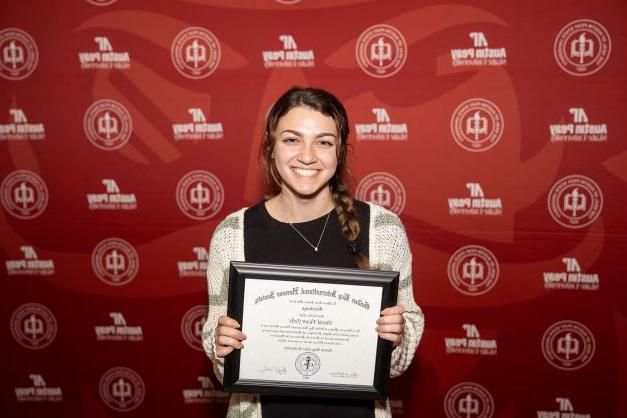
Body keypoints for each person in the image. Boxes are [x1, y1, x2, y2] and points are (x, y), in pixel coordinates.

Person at [202, 87, 424, 418]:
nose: (308, 155)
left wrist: (397, 336)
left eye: (323, 141)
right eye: (292, 139)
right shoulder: (233, 235)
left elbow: (407, 333)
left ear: (340, 152)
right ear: (271, 147)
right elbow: (218, 350)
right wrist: (223, 347)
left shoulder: (383, 229)